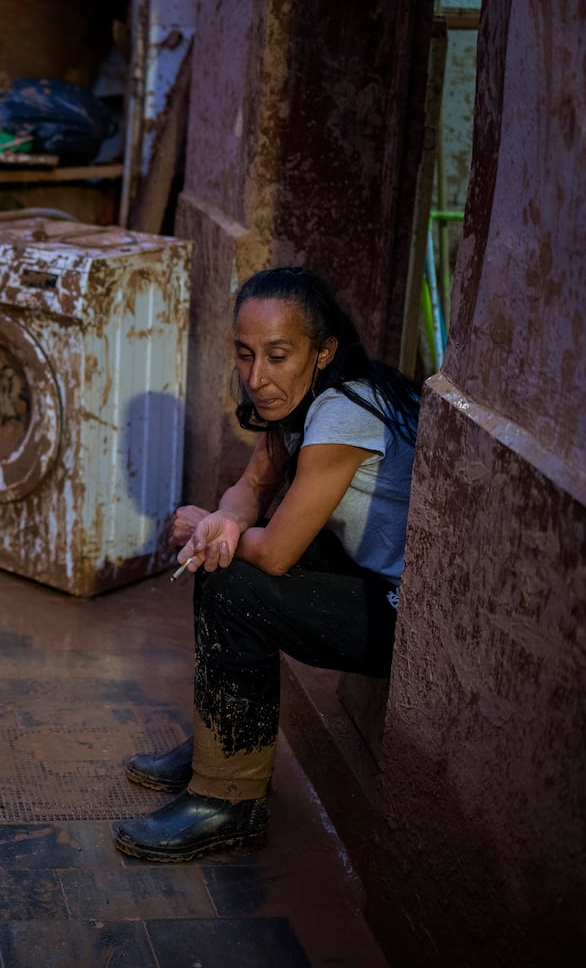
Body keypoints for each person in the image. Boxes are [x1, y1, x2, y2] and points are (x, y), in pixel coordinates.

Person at [112, 266, 420, 863]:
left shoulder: (343, 413)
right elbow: (250, 488)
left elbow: (274, 551)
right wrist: (222, 521)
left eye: (278, 356)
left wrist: (216, 530)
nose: (258, 378)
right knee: (222, 558)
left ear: (323, 352)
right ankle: (220, 742)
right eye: (246, 354)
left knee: (231, 584)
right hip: (364, 578)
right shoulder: (301, 401)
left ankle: (228, 801)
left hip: (400, 617)